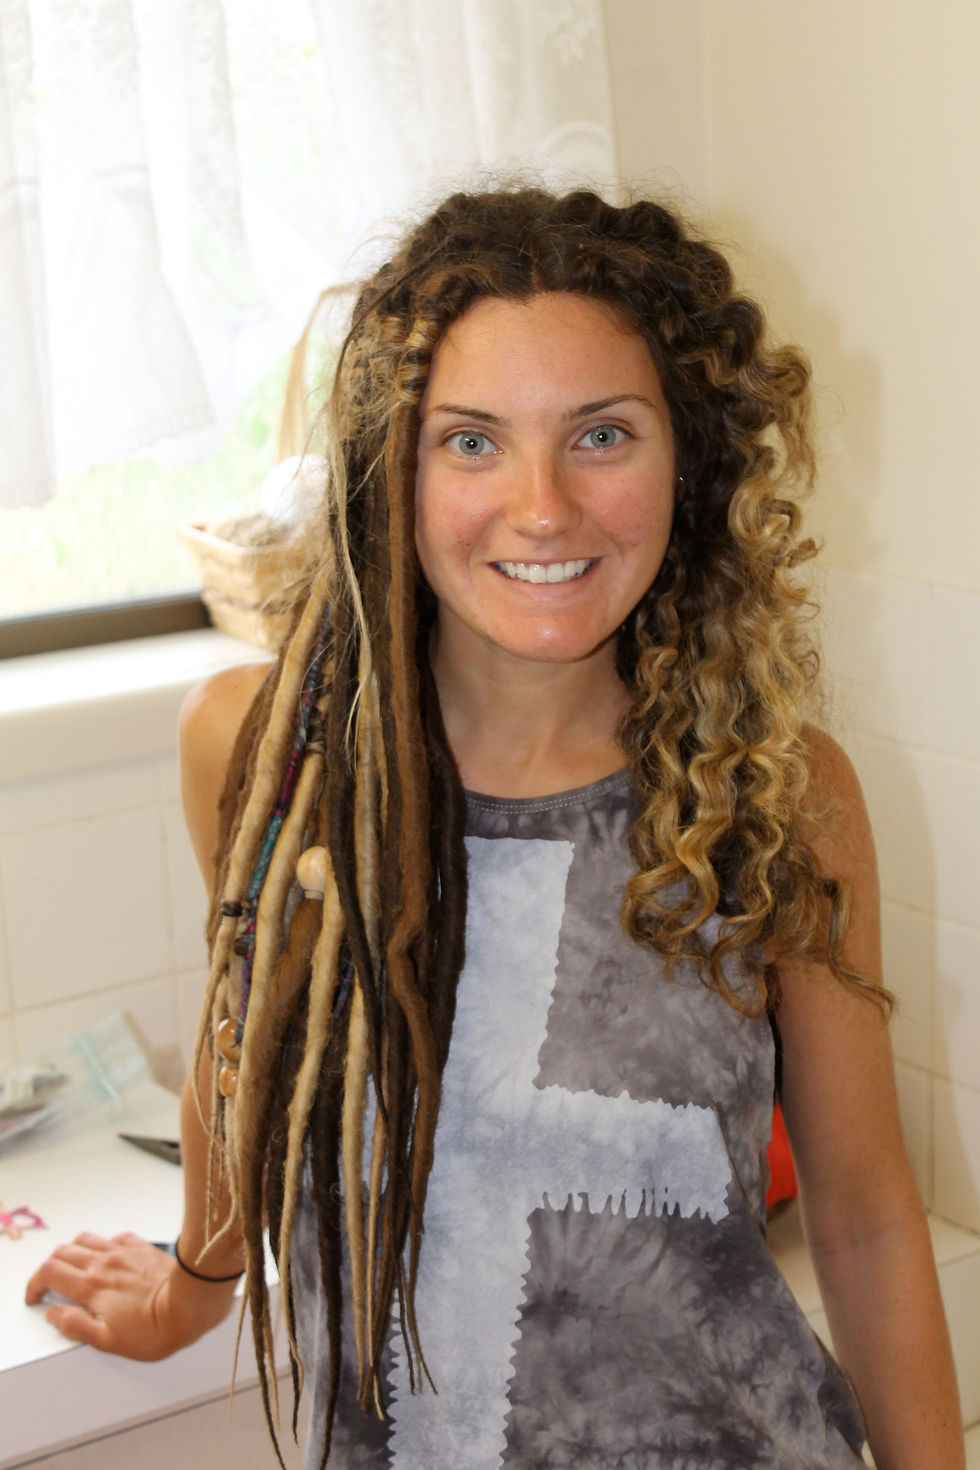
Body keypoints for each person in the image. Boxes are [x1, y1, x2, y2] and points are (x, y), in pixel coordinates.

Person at [27, 187, 964, 1469]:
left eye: (600, 435)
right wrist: (193, 1285)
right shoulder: (266, 756)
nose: (541, 506)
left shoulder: (778, 795)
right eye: (470, 442)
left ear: (687, 460)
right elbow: (242, 1046)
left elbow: (859, 1217)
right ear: (389, 470)